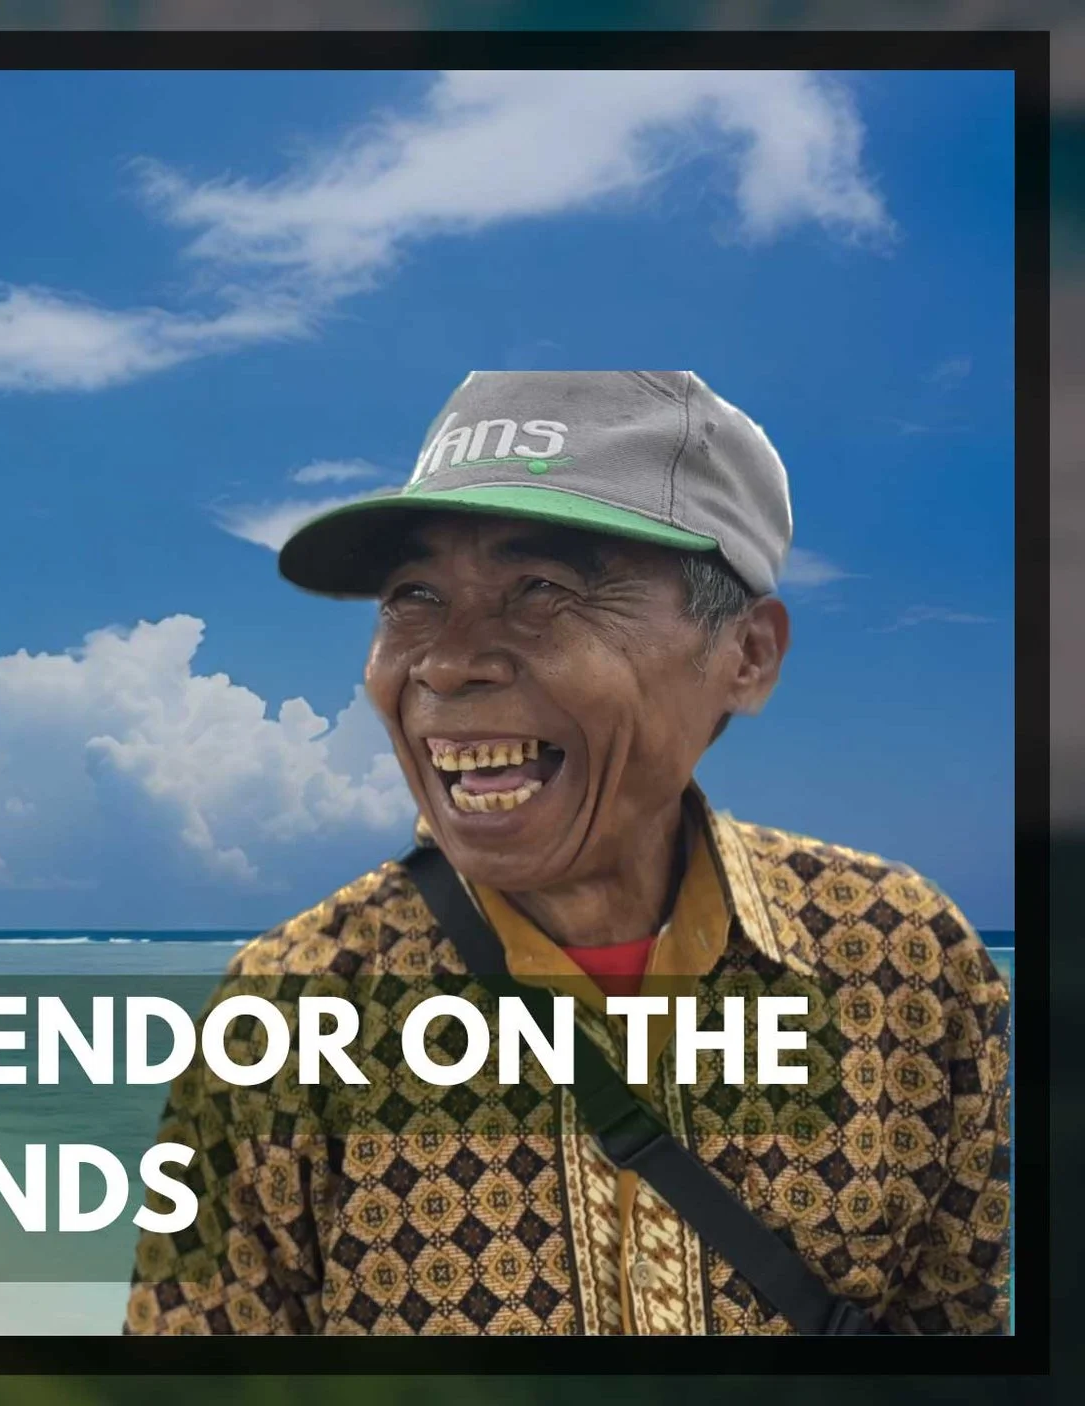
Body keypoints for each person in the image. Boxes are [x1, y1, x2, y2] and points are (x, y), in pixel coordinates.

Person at [124, 371, 1011, 1336]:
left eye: (542, 590)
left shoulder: (904, 959)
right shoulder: (292, 1009)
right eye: (413, 597)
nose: (447, 662)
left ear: (747, 655)